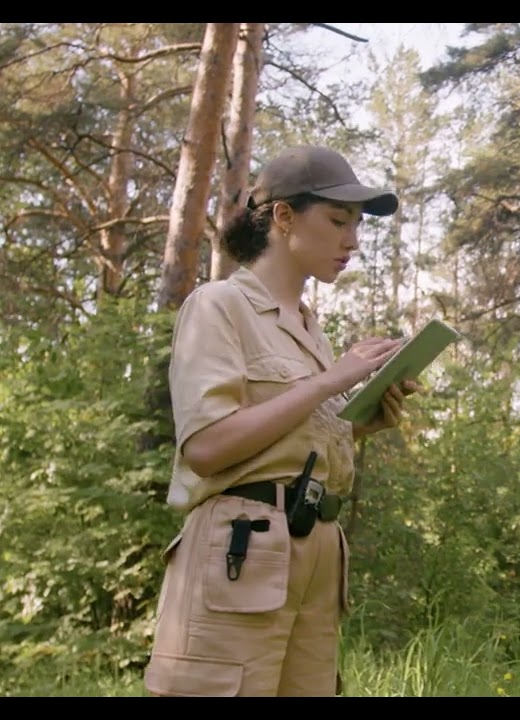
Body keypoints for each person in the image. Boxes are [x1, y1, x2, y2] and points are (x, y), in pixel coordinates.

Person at [144, 145, 419, 697]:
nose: (352, 241)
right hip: (242, 552)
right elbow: (205, 446)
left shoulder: (310, 331)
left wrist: (361, 420)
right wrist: (330, 382)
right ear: (284, 217)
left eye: (358, 226)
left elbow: (286, 443)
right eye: (339, 221)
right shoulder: (219, 305)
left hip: (314, 552)